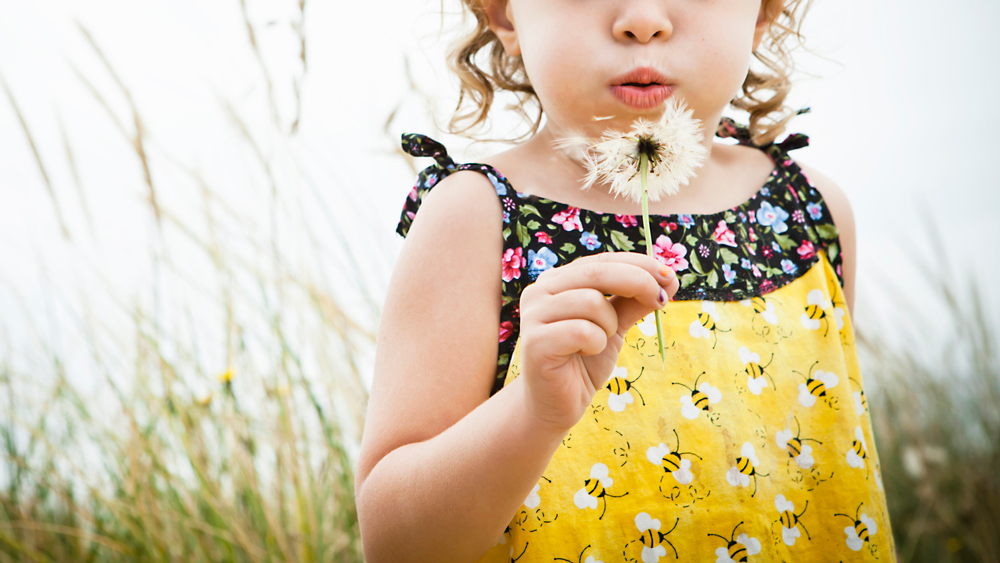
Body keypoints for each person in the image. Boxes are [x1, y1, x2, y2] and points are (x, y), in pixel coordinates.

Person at [356, 0, 896, 561]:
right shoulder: (476, 219)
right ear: (505, 14)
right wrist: (532, 413)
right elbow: (395, 545)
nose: (642, 18)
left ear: (763, 11)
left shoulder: (811, 213)